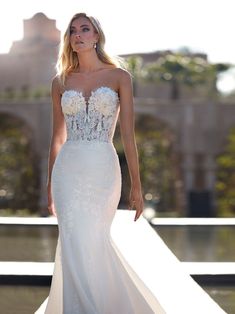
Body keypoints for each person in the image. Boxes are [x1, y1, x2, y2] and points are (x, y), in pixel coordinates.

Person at [34, 12, 165, 314]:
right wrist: (51, 184)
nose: (78, 35)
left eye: (85, 29)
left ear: (96, 36)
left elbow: (128, 136)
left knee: (93, 240)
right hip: (69, 169)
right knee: (73, 241)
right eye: (73, 31)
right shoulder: (60, 82)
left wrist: (137, 186)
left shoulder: (120, 77)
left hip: (103, 169)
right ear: (69, 39)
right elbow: (56, 137)